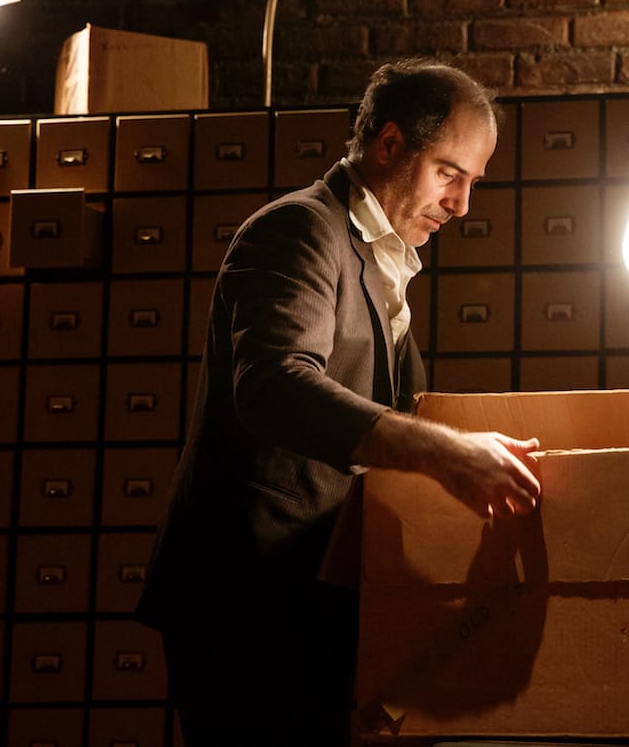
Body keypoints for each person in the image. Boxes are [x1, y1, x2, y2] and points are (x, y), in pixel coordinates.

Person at [135, 58, 543, 745]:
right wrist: (446, 453)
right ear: (388, 146)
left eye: (474, 181)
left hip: (313, 594)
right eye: (449, 172)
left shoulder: (382, 258)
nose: (463, 203)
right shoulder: (298, 229)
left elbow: (405, 413)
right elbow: (272, 385)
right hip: (247, 602)